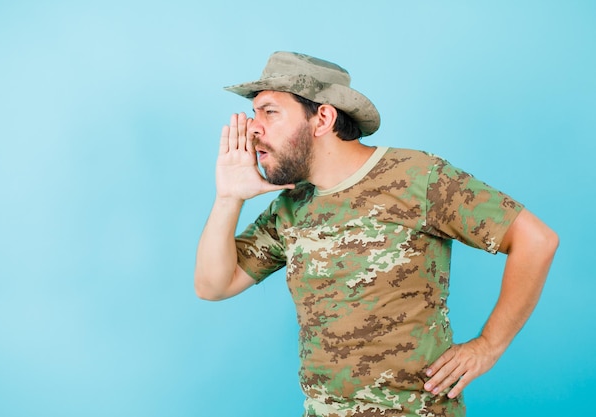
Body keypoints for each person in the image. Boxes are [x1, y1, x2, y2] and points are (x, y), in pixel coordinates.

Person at [194, 51, 558, 417]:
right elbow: (213, 285)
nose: (253, 127)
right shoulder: (291, 206)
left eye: (270, 112)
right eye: (254, 113)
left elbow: (536, 240)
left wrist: (488, 345)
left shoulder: (419, 177)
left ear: (323, 118)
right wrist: (228, 198)